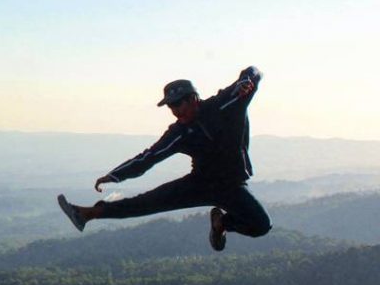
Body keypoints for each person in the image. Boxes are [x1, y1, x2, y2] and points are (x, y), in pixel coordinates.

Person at [57, 66, 271, 251]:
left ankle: (221, 224)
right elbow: (149, 157)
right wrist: (114, 175)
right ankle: (86, 213)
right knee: (146, 203)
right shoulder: (179, 132)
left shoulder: (226, 103)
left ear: (193, 98)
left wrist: (246, 81)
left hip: (232, 186)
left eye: (179, 104)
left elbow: (255, 71)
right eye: (171, 107)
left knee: (261, 225)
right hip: (199, 184)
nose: (176, 111)